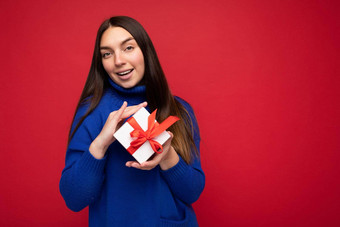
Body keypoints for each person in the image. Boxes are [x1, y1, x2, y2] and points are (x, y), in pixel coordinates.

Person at [59, 16, 205, 227]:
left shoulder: (180, 111)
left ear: (146, 52)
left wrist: (167, 155)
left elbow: (192, 192)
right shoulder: (93, 111)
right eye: (107, 54)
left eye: (128, 48)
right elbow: (74, 199)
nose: (118, 60)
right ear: (101, 63)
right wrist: (100, 144)